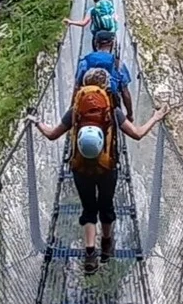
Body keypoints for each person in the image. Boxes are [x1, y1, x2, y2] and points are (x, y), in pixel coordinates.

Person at [33, 67, 168, 275]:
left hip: (80, 168)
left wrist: (37, 123)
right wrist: (156, 118)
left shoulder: (76, 109)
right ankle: (106, 244)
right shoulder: (112, 110)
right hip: (107, 167)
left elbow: (52, 134)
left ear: (84, 85)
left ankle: (89, 253)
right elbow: (137, 134)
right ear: (105, 86)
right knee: (106, 206)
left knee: (89, 209)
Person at [75, 29, 134, 118]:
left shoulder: (84, 62)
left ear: (96, 43)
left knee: (69, 122)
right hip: (110, 106)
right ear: (112, 44)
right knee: (125, 125)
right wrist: (130, 114)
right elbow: (125, 92)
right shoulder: (118, 64)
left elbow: (77, 87)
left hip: (86, 102)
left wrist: (72, 109)